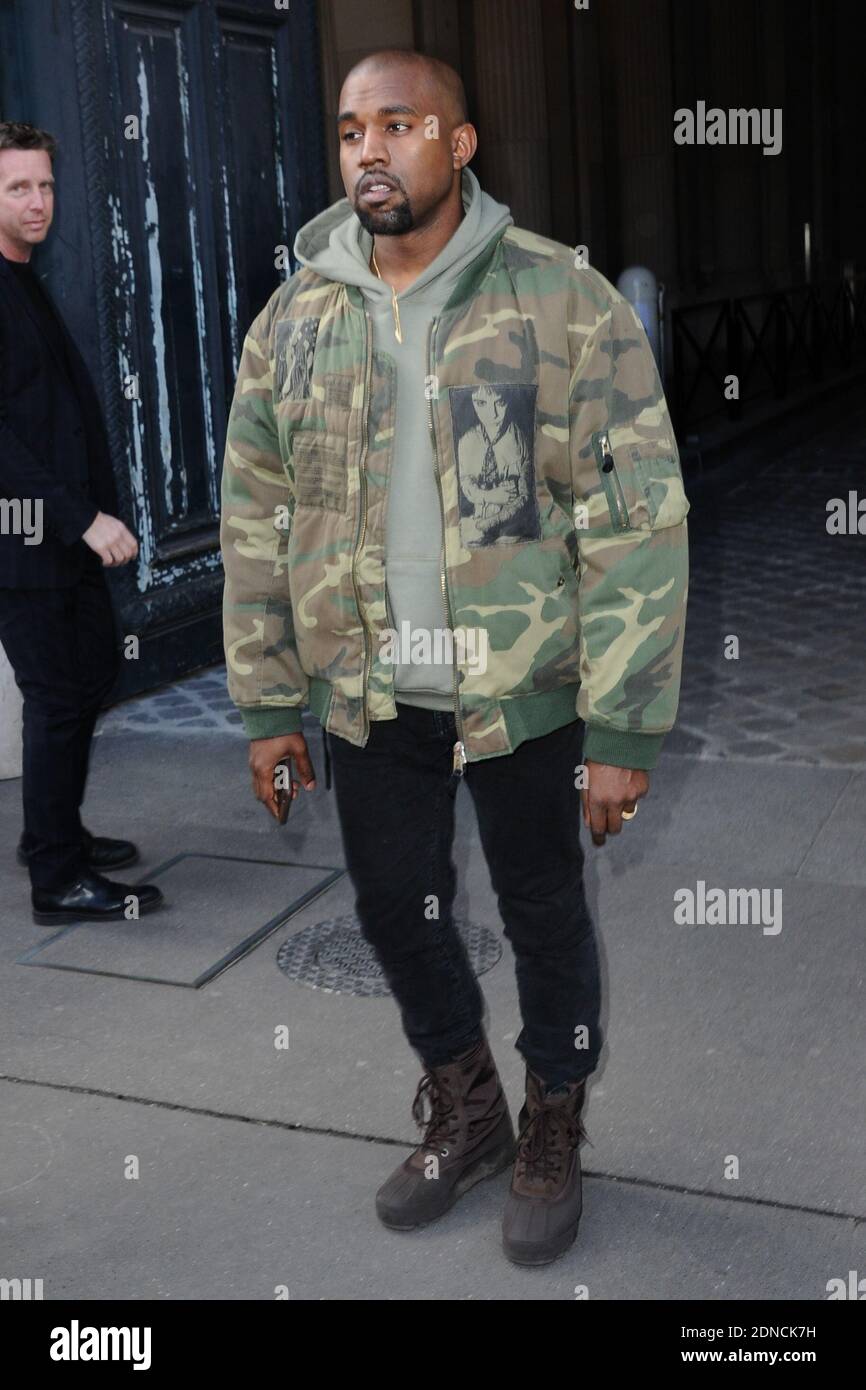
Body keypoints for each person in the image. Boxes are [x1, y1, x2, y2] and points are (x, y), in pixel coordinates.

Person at [220, 50, 689, 1266]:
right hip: (371, 693)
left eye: (398, 125)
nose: (368, 150)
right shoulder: (297, 316)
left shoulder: (560, 299)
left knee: (543, 915)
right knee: (391, 910)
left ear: (461, 142)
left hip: (522, 692)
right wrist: (271, 701)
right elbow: (255, 519)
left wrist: (623, 730)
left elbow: (635, 517)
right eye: (347, 132)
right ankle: (466, 1104)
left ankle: (551, 1119)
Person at [0, 122, 162, 925]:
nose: (38, 202)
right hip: (24, 540)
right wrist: (78, 516)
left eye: (46, 186)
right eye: (18, 188)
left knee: (86, 678)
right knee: (58, 695)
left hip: (58, 535)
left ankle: (50, 834)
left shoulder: (22, 275)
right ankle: (56, 879)